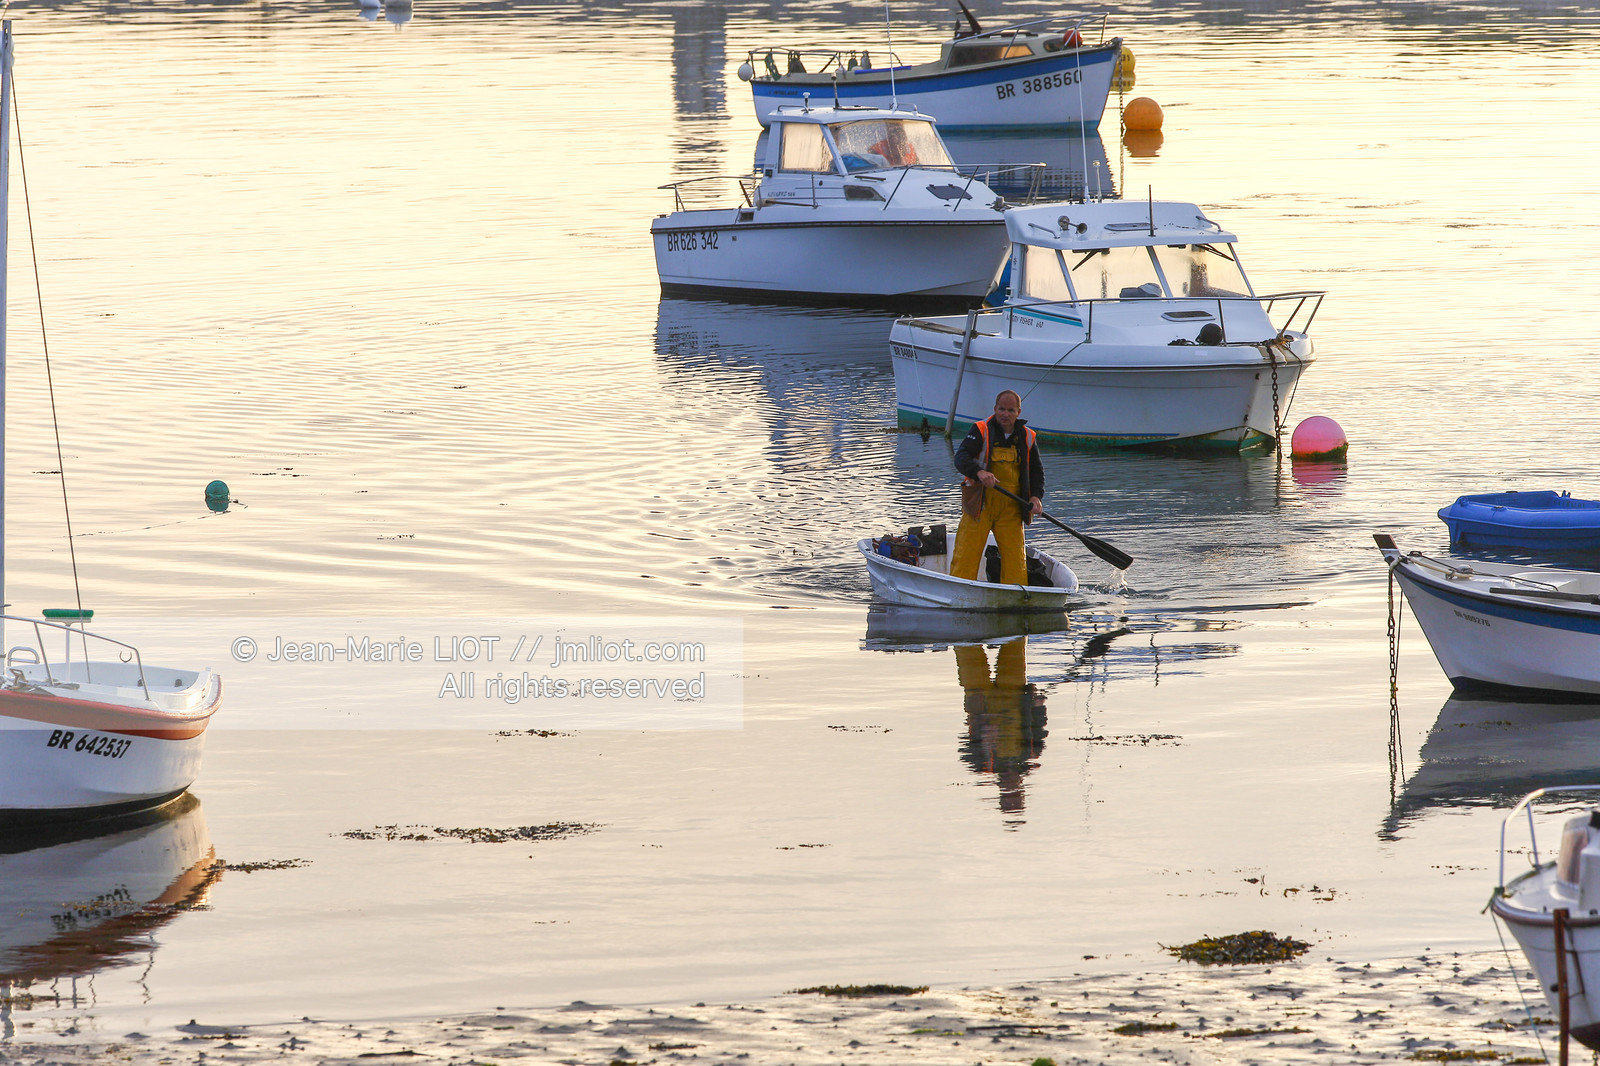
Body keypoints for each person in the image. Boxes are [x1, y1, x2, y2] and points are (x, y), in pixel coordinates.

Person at [950, 390, 1044, 585]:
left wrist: (1036, 497)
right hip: (979, 506)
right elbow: (960, 458)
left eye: (1010, 410)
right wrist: (979, 472)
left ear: (1018, 412)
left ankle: (1014, 599)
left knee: (1015, 562)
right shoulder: (980, 429)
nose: (1005, 414)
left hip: (1011, 509)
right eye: (1002, 409)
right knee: (965, 556)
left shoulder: (1027, 437)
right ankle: (958, 592)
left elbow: (1036, 471)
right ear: (995, 409)